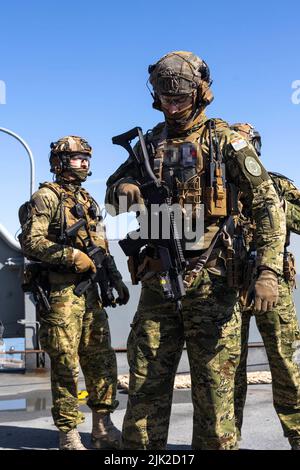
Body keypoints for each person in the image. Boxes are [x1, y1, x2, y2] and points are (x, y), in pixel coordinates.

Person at [105, 51, 286, 450]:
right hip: (158, 282)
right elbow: (112, 197)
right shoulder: (150, 141)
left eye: (180, 98)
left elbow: (268, 206)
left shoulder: (225, 140)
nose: (172, 106)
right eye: (165, 98)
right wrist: (123, 191)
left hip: (214, 283)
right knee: (146, 387)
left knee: (214, 392)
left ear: (200, 93)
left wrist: (269, 271)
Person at [19, 135, 129, 450]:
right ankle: (68, 432)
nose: (85, 163)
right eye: (80, 158)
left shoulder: (87, 200)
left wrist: (115, 278)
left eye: (87, 158)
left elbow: (101, 245)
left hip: (90, 293)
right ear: (62, 162)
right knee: (66, 364)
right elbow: (32, 241)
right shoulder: (46, 197)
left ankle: (102, 427)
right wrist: (71, 256)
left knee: (102, 361)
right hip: (60, 294)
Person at [231, 123, 300, 451]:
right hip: (227, 287)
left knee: (286, 363)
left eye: (250, 143)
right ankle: (228, 439)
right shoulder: (216, 188)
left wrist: (280, 209)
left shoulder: (277, 185)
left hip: (273, 285)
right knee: (228, 369)